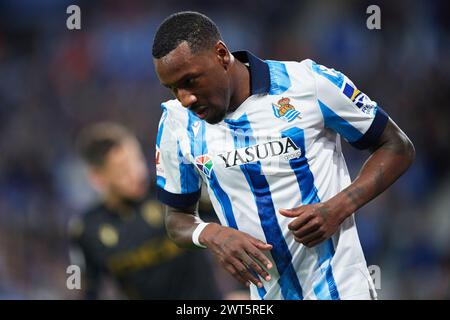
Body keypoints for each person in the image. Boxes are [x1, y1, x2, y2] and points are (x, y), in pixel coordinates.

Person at [152, 11, 415, 300]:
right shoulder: (176, 122)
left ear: (221, 54)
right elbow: (177, 218)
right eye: (173, 88)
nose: (184, 98)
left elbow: (397, 146)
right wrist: (212, 234)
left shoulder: (308, 83)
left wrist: (339, 207)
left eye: (191, 80)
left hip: (343, 290)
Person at [69, 122, 223, 299]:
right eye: (122, 171)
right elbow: (79, 285)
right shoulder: (85, 230)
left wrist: (242, 290)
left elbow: (236, 219)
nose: (137, 173)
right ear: (98, 178)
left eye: (137, 160)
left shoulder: (175, 189)